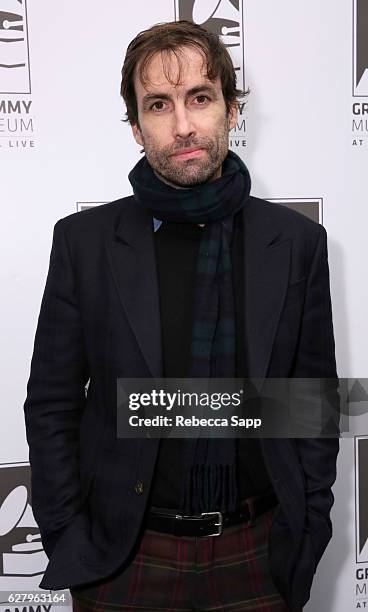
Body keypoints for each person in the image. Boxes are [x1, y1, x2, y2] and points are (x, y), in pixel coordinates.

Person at [23, 20, 339, 612]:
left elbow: (313, 400)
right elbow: (51, 404)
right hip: (124, 556)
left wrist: (310, 522)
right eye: (159, 105)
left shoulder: (296, 243)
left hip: (259, 552)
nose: (184, 125)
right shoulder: (84, 243)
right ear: (137, 127)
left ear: (231, 109)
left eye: (200, 98)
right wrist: (69, 535)